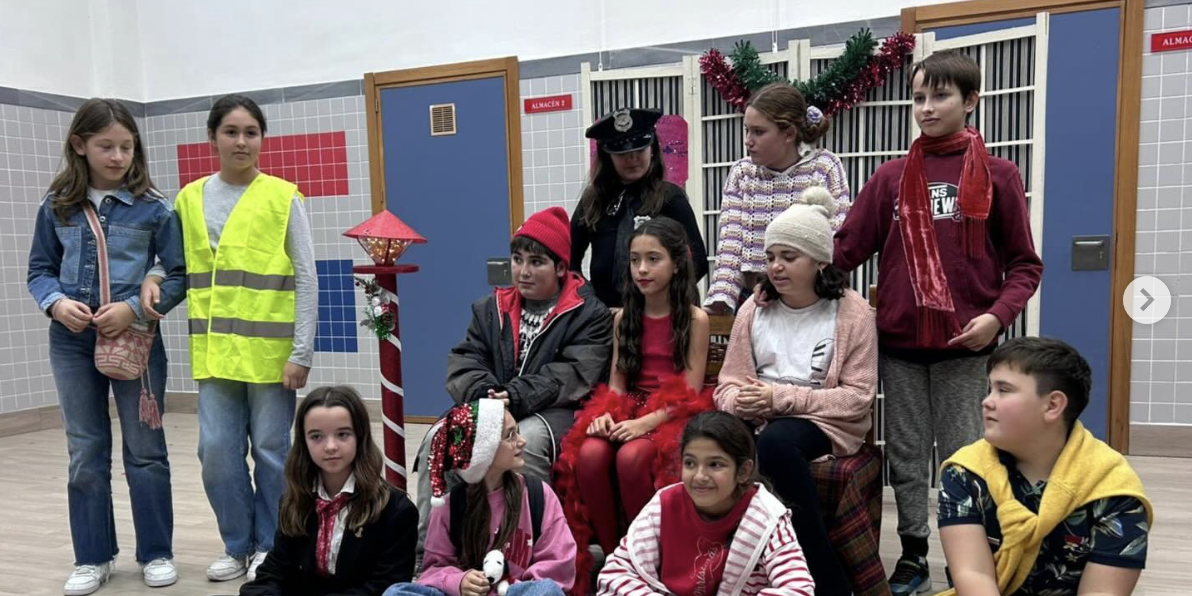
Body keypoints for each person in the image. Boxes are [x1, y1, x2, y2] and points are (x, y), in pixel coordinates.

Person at [832, 50, 1044, 595]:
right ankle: (913, 553)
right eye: (919, 97)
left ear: (971, 101)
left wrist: (996, 318)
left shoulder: (1000, 176)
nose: (926, 108)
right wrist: (784, 268)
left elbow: (1025, 265)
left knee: (964, 457)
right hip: (900, 346)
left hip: (966, 350)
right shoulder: (889, 178)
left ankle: (965, 558)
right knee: (905, 456)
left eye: (940, 96)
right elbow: (845, 249)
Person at [142, 93, 319, 582]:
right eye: (231, 132)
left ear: (262, 139)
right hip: (215, 352)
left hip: (271, 354)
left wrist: (301, 352)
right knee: (216, 453)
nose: (242, 141)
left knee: (271, 452)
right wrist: (154, 276)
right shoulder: (189, 198)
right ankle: (236, 544)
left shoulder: (283, 197)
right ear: (213, 137)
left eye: (251, 132)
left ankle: (270, 547)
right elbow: (173, 263)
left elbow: (307, 277)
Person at [27, 98, 186, 595]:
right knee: (85, 450)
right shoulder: (57, 205)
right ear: (79, 145)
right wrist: (56, 303)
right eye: (106, 146)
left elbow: (179, 274)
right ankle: (93, 557)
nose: (118, 156)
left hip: (135, 341)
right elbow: (39, 271)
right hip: (71, 342)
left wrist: (134, 309)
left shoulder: (155, 207)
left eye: (126, 146)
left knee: (146, 450)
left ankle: (156, 552)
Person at [413, 207, 612, 565]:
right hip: (493, 405)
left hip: (555, 411)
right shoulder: (491, 308)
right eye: (518, 260)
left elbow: (574, 373)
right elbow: (466, 358)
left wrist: (516, 396)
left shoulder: (587, 312)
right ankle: (432, 557)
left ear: (561, 268)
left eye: (536, 262)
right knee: (439, 439)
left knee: (526, 443)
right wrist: (485, 394)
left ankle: (525, 557)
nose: (523, 271)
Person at [714, 190, 877, 596]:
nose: (776, 267)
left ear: (819, 261)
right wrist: (740, 402)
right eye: (771, 257)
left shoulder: (851, 311)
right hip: (762, 413)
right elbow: (728, 383)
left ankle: (826, 580)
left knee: (776, 443)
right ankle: (722, 569)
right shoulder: (754, 309)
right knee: (709, 434)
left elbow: (857, 397)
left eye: (789, 256)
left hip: (824, 421)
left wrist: (779, 398)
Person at [554, 217, 712, 584]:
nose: (641, 269)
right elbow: (617, 384)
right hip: (631, 409)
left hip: (673, 414)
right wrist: (605, 415)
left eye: (653, 259)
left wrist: (644, 424)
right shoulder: (624, 318)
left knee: (632, 457)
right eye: (635, 259)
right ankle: (615, 557)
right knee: (589, 454)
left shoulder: (694, 319)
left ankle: (648, 555)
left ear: (677, 264)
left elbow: (689, 392)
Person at [937, 337, 1151, 596]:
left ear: (1052, 405)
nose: (987, 401)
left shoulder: (1113, 487)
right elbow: (973, 574)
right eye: (989, 389)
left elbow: (1102, 592)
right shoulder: (964, 472)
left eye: (1003, 390)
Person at [595, 411, 815, 596]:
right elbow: (615, 574)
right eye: (690, 463)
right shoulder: (665, 505)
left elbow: (799, 589)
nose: (700, 476)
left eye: (715, 465)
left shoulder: (765, 517)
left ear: (743, 471)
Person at [386, 399, 577, 596]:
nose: (522, 441)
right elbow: (433, 570)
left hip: (516, 593)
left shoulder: (539, 495)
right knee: (396, 592)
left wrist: (511, 588)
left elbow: (559, 563)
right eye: (510, 435)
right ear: (484, 449)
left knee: (546, 590)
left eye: (517, 432)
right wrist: (459, 581)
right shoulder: (448, 508)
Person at [241, 386, 417, 596]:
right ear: (304, 442)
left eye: (343, 434)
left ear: (360, 437)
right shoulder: (294, 501)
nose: (330, 446)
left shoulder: (395, 510)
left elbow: (387, 585)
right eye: (317, 436)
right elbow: (275, 570)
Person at [705, 83, 850, 314]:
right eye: (747, 130)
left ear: (789, 134)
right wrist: (720, 302)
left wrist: (783, 287)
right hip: (755, 298)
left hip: (813, 297)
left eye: (758, 132)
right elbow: (730, 245)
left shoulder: (824, 167)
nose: (748, 140)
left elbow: (832, 241)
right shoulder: (742, 173)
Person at [571, 108, 707, 308]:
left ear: (652, 149)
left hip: (658, 314)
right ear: (608, 156)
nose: (632, 158)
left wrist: (660, 303)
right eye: (622, 153)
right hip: (605, 316)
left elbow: (698, 262)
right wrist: (588, 301)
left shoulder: (670, 198)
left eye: (639, 150)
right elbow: (569, 259)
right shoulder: (594, 200)